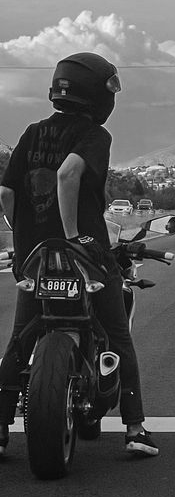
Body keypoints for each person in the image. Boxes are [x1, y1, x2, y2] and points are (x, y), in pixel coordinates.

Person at [0, 52, 158, 459]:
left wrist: (25, 236)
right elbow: (68, 175)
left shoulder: (32, 132)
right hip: (85, 255)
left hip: (34, 258)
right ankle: (135, 429)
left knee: (20, 339)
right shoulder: (94, 135)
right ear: (98, 95)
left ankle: (0, 426)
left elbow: (6, 192)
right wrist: (72, 236)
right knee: (118, 337)